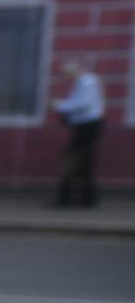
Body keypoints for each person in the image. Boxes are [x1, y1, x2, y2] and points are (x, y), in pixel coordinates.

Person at [53, 60, 105, 208]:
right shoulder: (82, 83)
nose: (66, 80)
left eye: (67, 76)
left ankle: (68, 198)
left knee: (73, 160)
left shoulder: (87, 83)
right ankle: (84, 199)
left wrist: (58, 105)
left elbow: (82, 105)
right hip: (86, 127)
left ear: (74, 72)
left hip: (88, 128)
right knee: (82, 163)